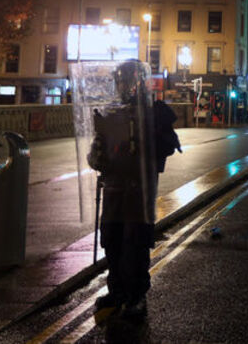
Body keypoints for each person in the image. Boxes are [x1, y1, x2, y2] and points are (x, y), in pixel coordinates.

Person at [88, 59, 180, 321]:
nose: (123, 86)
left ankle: (137, 294)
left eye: (127, 80)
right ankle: (116, 290)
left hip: (140, 189)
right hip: (114, 188)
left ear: (139, 82)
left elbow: (168, 147)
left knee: (135, 242)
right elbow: (96, 152)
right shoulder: (110, 113)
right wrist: (98, 157)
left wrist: (148, 140)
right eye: (120, 80)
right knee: (113, 241)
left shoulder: (154, 113)